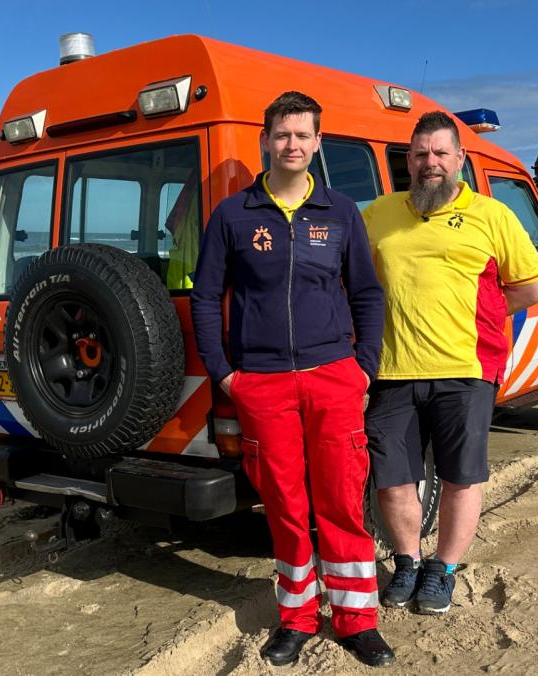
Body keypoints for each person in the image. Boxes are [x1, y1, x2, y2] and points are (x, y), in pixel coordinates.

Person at [190, 91, 392, 667]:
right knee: (283, 504)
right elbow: (207, 298)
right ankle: (298, 617)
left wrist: (364, 367)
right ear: (265, 141)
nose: (293, 145)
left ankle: (356, 621)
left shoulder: (342, 212)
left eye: (303, 136)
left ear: (318, 143)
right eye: (283, 135)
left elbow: (367, 294)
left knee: (342, 502)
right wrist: (226, 375)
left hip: (335, 376)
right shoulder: (232, 214)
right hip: (263, 382)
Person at [361, 111, 538, 616]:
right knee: (392, 478)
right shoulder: (378, 214)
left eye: (441, 153)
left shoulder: (492, 215)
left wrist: (480, 313)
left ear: (460, 158)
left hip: (466, 370)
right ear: (409, 161)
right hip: (392, 371)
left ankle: (441, 569)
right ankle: (406, 561)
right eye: (421, 154)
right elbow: (352, 282)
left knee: (461, 476)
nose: (430, 163)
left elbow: (531, 285)